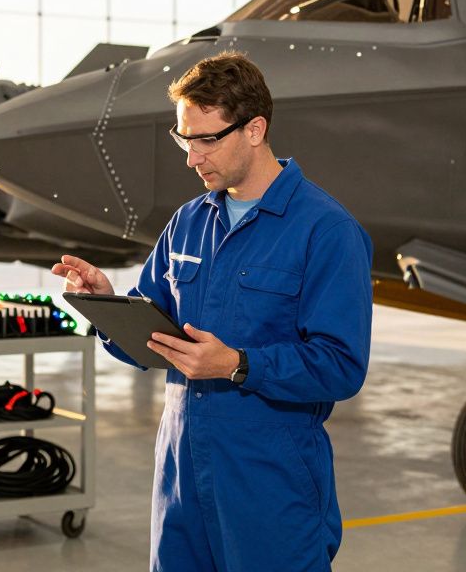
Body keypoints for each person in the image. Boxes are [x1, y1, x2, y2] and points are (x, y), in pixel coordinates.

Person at [52, 51, 373, 572]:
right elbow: (155, 328)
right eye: (184, 138)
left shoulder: (326, 231)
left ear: (255, 130)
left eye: (206, 139)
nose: (191, 157)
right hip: (182, 470)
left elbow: (341, 365)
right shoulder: (188, 222)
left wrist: (237, 364)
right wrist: (106, 302)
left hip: (270, 478)